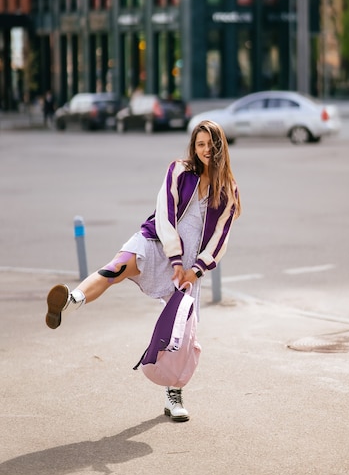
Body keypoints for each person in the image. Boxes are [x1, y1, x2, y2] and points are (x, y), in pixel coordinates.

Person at [45, 120, 241, 422]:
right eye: (200, 144)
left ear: (220, 147)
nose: (206, 149)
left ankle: (173, 395)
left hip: (189, 268)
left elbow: (220, 239)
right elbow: (166, 213)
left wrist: (195, 269)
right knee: (116, 267)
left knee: (182, 335)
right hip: (157, 241)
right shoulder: (179, 171)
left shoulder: (228, 190)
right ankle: (72, 301)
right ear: (194, 146)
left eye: (211, 144)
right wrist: (174, 258)